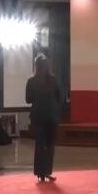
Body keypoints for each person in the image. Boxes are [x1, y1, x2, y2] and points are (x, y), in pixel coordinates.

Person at [26, 54, 62, 183]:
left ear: (36, 66)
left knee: (39, 144)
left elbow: (28, 99)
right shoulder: (54, 80)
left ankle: (39, 173)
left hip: (37, 117)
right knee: (50, 145)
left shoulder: (31, 81)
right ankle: (47, 171)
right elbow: (60, 97)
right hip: (52, 116)